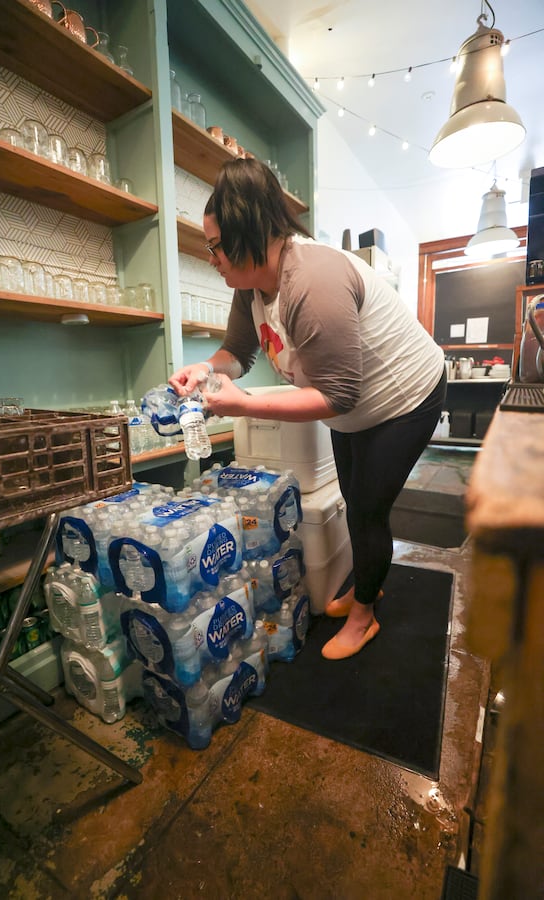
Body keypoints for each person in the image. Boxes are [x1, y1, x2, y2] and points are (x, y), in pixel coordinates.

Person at [169, 158, 446, 660]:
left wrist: (246, 406)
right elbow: (238, 353)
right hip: (354, 406)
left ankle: (364, 616)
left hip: (408, 396)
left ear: (247, 232)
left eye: (214, 245)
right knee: (357, 501)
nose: (211, 257)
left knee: (366, 509)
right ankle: (369, 585)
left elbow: (338, 394)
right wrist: (204, 371)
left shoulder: (312, 280)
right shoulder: (252, 283)